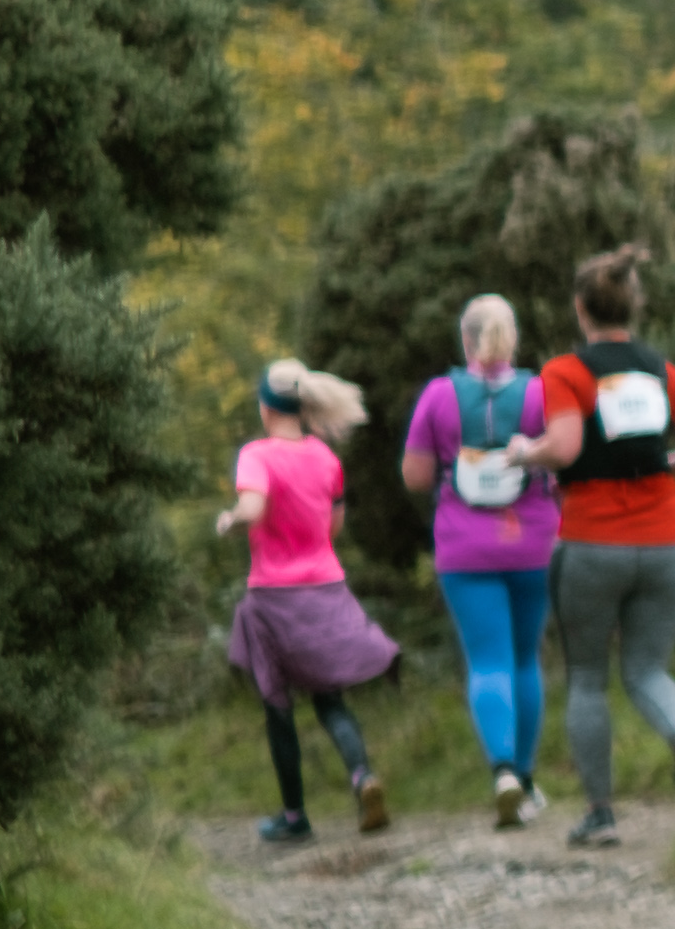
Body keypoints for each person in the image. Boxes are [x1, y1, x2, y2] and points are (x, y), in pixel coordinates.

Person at [531, 248, 675, 845]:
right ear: (633, 305)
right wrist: (664, 465)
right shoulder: (664, 372)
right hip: (670, 544)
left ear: (579, 308)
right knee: (647, 670)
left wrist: (523, 454)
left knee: (588, 677)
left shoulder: (564, 371)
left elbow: (562, 448)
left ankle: (600, 814)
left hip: (592, 542)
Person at [402, 293, 568, 828]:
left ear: (465, 339)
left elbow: (416, 477)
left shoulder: (437, 395)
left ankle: (501, 771)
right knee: (525, 659)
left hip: (464, 546)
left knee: (488, 660)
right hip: (534, 543)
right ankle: (527, 777)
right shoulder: (542, 392)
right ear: (513, 336)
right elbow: (564, 464)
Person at [222, 361, 402, 845]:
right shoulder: (325, 458)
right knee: (330, 700)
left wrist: (230, 521)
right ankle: (363, 776)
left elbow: (253, 509)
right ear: (301, 407)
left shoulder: (256, 455)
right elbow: (332, 527)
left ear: (265, 406)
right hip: (325, 588)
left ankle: (295, 816)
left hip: (273, 598)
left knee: (277, 707)